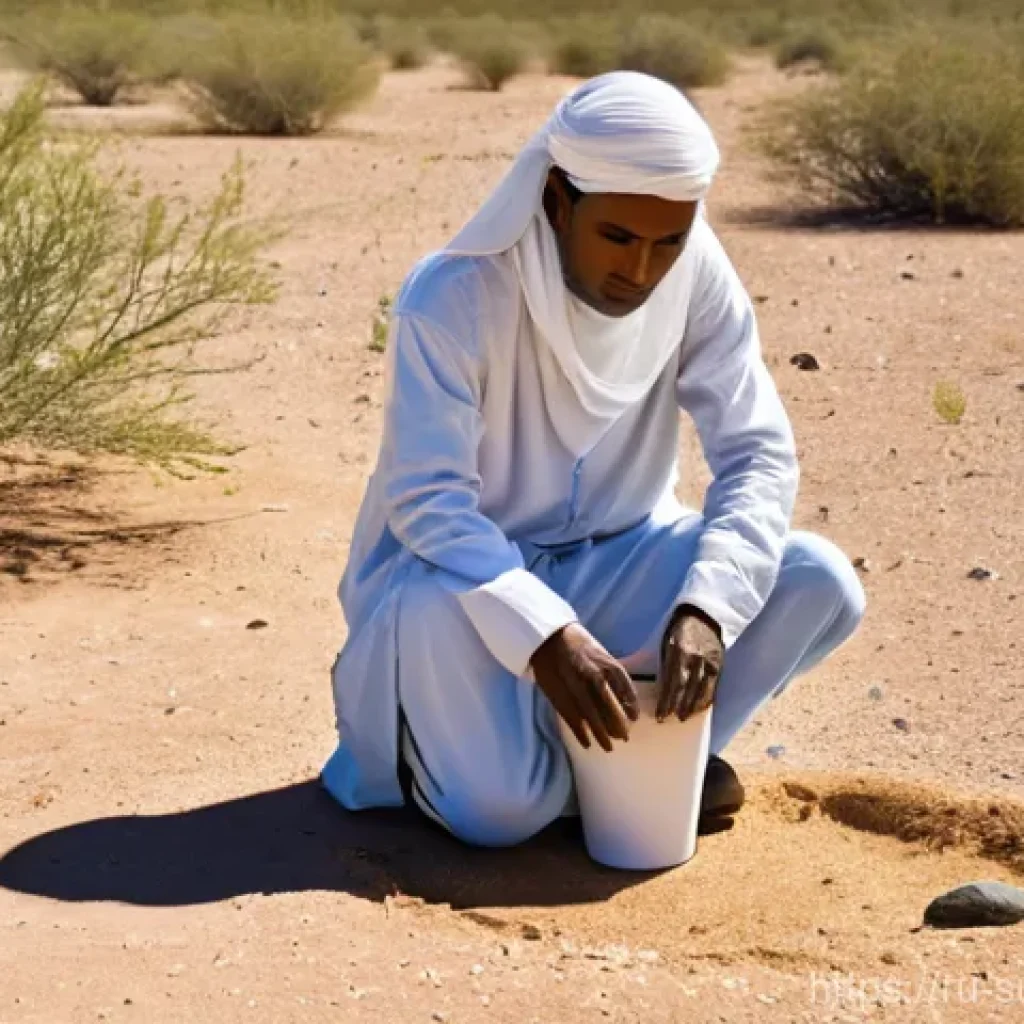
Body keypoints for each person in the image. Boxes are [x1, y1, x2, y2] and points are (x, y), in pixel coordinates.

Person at [321, 72, 865, 848]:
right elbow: (427, 504)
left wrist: (707, 605)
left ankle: (641, 764)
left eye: (667, 243)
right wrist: (545, 634)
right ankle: (610, 778)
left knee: (819, 580)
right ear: (555, 201)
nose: (640, 272)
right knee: (498, 820)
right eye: (616, 237)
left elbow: (757, 452)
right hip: (466, 589)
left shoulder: (697, 274)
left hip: (620, 561)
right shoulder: (453, 297)